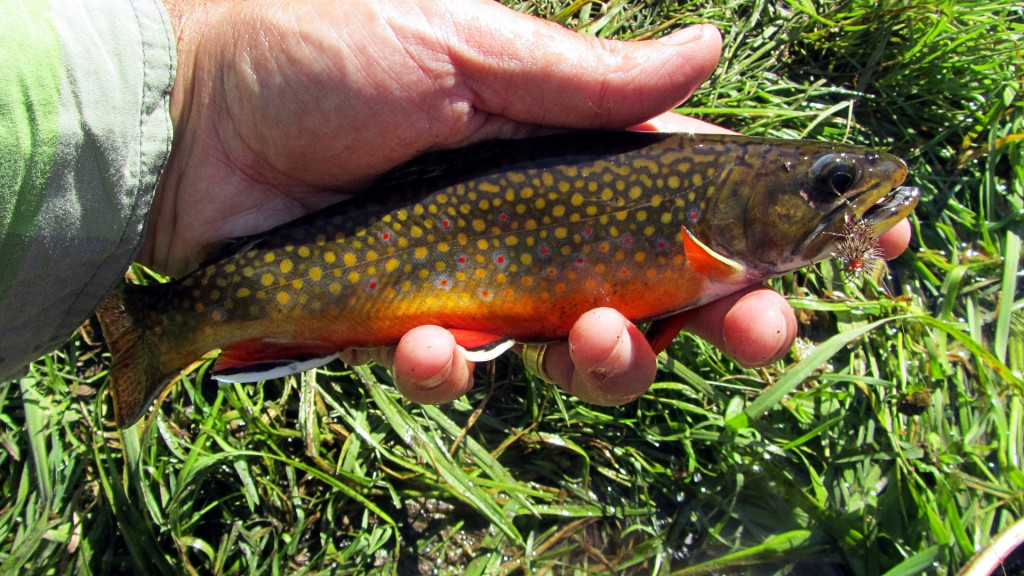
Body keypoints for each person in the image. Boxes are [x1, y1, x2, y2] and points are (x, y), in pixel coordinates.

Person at [0, 0, 912, 407]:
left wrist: (193, 89)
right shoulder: (700, 234)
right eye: (833, 187)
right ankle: (162, 326)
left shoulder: (710, 229)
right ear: (742, 195)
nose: (854, 199)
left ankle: (170, 322)